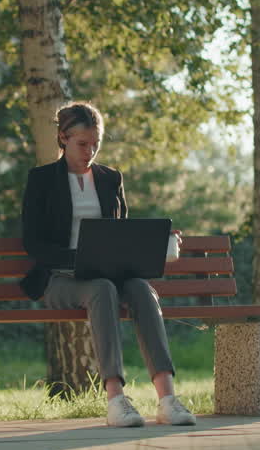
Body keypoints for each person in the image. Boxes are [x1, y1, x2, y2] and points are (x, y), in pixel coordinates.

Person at [20, 101, 196, 428]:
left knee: (142, 290)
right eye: (82, 144)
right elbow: (32, 243)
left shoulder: (110, 178)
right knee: (101, 289)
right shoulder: (42, 179)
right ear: (62, 138)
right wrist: (78, 259)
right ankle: (116, 399)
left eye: (96, 144)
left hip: (108, 274)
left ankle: (167, 399)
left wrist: (156, 243)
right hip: (60, 279)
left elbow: (121, 233)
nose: (90, 151)